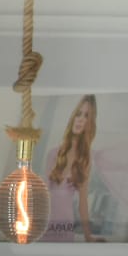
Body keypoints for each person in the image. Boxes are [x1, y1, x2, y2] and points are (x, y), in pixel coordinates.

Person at [46, 94, 105, 242]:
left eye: (86, 116)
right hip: (46, 226)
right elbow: (43, 195)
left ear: (89, 123)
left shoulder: (85, 160)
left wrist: (88, 235)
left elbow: (83, 202)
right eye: (78, 114)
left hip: (65, 228)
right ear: (73, 117)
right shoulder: (53, 154)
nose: (80, 119)